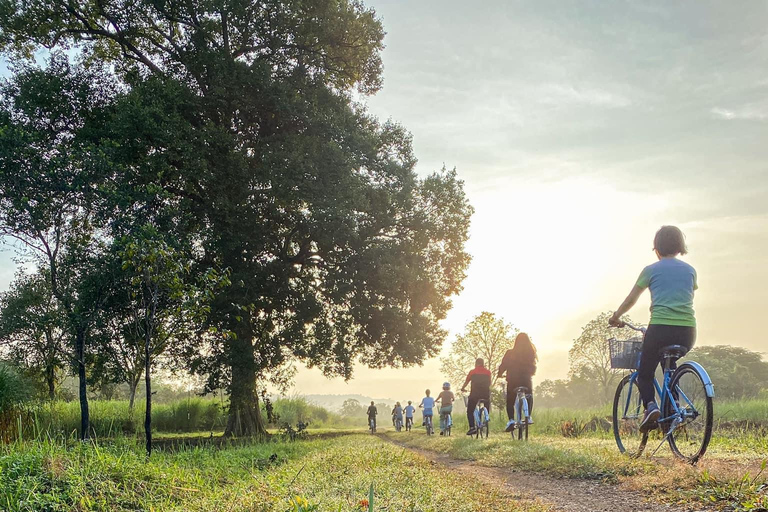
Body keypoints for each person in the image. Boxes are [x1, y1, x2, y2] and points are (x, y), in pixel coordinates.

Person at [609, 225, 698, 433]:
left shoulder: (651, 270)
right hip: (688, 332)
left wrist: (616, 317)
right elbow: (687, 295)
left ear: (656, 248)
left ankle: (651, 407)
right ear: (680, 247)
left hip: (660, 328)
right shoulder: (690, 271)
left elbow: (632, 298)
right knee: (670, 366)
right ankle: (672, 411)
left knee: (645, 372)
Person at [498, 332, 537, 432]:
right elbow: (533, 366)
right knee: (529, 396)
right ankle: (528, 416)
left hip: (513, 380)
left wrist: (499, 374)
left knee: (510, 400)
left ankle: (511, 420)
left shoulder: (510, 353)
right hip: (526, 380)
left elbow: (503, 365)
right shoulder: (531, 352)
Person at [460, 358, 492, 435]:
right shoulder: (488, 372)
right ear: (483, 363)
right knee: (487, 403)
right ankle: (486, 417)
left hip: (475, 394)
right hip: (485, 394)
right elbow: (490, 383)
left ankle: (472, 427)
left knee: (470, 411)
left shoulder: (472, 372)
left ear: (476, 363)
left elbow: (467, 381)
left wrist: (463, 388)